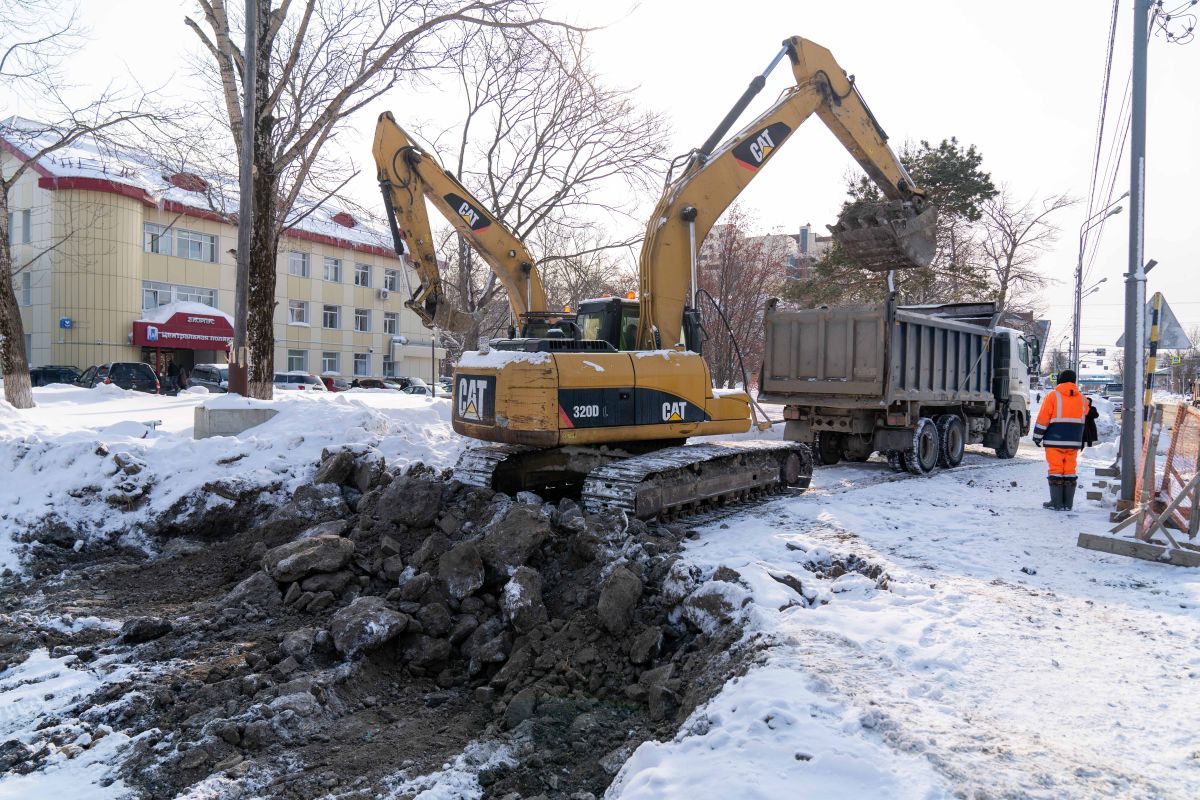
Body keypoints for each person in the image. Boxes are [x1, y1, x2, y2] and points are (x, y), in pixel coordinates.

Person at [1032, 369, 1091, 511]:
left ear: (1060, 380)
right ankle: (1067, 504)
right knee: (1070, 469)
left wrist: (1037, 436)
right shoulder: (1083, 399)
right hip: (1074, 441)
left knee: (1056, 469)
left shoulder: (1053, 396)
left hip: (1054, 440)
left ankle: (1056, 503)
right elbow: (1086, 412)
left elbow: (1043, 418)